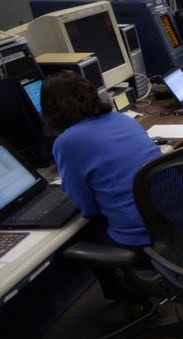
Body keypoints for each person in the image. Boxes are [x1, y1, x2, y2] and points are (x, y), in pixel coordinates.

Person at [41, 73, 160, 247]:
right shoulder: (124, 120)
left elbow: (88, 209)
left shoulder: (67, 142)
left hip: (142, 235)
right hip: (180, 219)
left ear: (51, 110)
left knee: (71, 245)